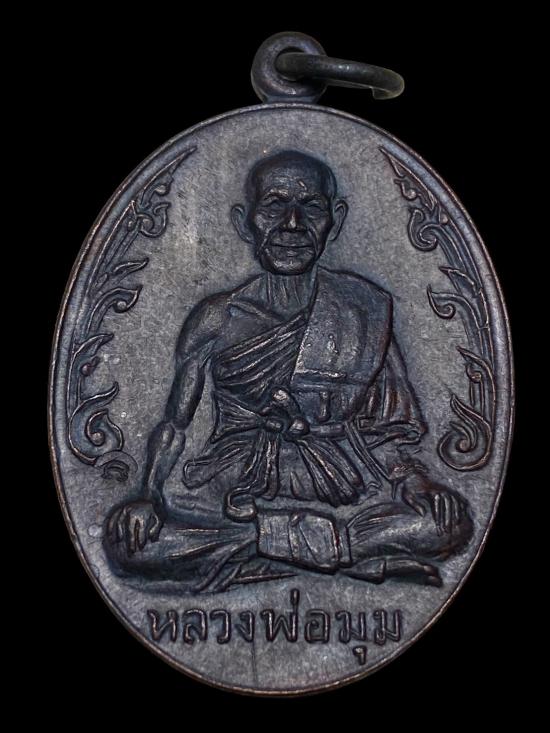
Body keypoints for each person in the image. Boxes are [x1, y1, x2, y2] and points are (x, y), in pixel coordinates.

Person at [105, 150, 473, 592]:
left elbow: (383, 431)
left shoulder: (363, 310)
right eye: (274, 205)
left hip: (339, 479)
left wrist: (416, 482)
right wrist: (147, 493)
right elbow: (175, 424)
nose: (293, 224)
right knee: (128, 546)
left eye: (311, 207)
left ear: (335, 220)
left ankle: (259, 550)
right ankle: (342, 553)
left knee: (447, 525)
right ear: (245, 222)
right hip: (236, 482)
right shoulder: (217, 318)